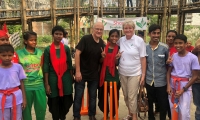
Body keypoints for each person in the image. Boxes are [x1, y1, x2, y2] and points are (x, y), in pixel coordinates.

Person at [73, 22, 105, 120]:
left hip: (94, 74)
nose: (99, 31)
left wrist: (103, 57)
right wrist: (77, 72)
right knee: (78, 95)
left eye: (101, 29)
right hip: (81, 73)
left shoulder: (102, 43)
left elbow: (100, 60)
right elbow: (77, 54)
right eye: (97, 29)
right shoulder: (85, 39)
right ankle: (76, 116)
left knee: (93, 96)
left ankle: (92, 115)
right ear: (93, 29)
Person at [117, 21, 146, 120]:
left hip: (135, 73)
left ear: (134, 29)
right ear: (123, 29)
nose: (128, 30)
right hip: (122, 72)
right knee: (125, 96)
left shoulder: (139, 41)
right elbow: (113, 47)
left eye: (130, 28)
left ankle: (134, 117)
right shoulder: (121, 40)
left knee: (132, 96)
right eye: (126, 28)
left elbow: (143, 58)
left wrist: (143, 75)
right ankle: (130, 113)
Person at [43, 26, 73, 120]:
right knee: (54, 101)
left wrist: (71, 77)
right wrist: (47, 84)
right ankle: (56, 117)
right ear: (53, 35)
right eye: (56, 34)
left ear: (63, 36)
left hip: (65, 77)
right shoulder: (48, 49)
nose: (58, 36)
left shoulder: (66, 48)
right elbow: (46, 66)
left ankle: (62, 116)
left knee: (67, 100)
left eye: (60, 34)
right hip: (53, 78)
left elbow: (69, 64)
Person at [167, 34, 200, 120]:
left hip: (185, 85)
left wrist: (183, 89)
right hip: (173, 84)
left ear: (186, 44)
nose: (178, 45)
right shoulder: (173, 56)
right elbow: (169, 71)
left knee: (184, 112)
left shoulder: (192, 58)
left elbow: (195, 76)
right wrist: (168, 85)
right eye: (176, 43)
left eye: (180, 43)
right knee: (173, 108)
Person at [17, 31, 47, 120]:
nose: (34, 42)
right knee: (26, 111)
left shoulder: (40, 53)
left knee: (41, 110)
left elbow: (43, 68)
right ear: (25, 41)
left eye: (35, 40)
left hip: (39, 85)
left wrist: (46, 84)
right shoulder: (18, 54)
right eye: (31, 40)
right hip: (26, 87)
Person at [145, 24, 169, 120]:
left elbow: (168, 64)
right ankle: (151, 118)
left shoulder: (164, 47)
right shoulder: (144, 47)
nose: (156, 35)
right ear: (149, 34)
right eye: (154, 33)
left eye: (158, 33)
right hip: (149, 80)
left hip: (161, 81)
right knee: (150, 102)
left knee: (162, 103)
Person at [98, 29, 121, 119]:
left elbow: (117, 63)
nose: (114, 38)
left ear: (118, 37)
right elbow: (100, 61)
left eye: (116, 36)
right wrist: (103, 56)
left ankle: (113, 114)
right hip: (104, 75)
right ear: (109, 37)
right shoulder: (103, 47)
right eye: (112, 36)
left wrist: (116, 58)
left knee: (114, 96)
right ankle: (105, 113)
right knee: (103, 96)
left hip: (114, 75)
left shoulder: (119, 48)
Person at [0, 44, 26, 120]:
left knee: (17, 117)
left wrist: (24, 99)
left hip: (16, 98)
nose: (7, 58)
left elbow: (21, 83)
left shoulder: (18, 67)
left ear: (13, 55)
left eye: (10, 55)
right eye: (4, 55)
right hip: (2, 99)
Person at [191, 39, 200, 120]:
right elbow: (192, 55)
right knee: (198, 104)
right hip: (197, 81)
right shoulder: (198, 41)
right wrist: (195, 50)